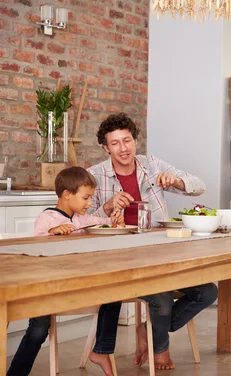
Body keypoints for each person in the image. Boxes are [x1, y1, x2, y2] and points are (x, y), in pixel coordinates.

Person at [87, 112, 218, 370]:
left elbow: (199, 185)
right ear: (105, 147)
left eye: (127, 141)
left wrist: (178, 181)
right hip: (120, 259)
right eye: (115, 143)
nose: (123, 148)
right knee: (162, 298)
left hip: (159, 253)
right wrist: (108, 207)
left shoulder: (153, 165)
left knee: (207, 291)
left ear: (135, 140)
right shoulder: (94, 175)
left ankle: (147, 329)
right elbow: (81, 219)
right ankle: (161, 349)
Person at [8, 166, 124, 376]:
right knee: (38, 330)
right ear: (67, 195)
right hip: (44, 286)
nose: (90, 203)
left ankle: (102, 350)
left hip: (71, 285)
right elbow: (34, 246)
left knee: (114, 295)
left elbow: (105, 223)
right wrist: (52, 233)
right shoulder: (48, 218)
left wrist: (114, 221)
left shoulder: (80, 219)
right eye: (86, 198)